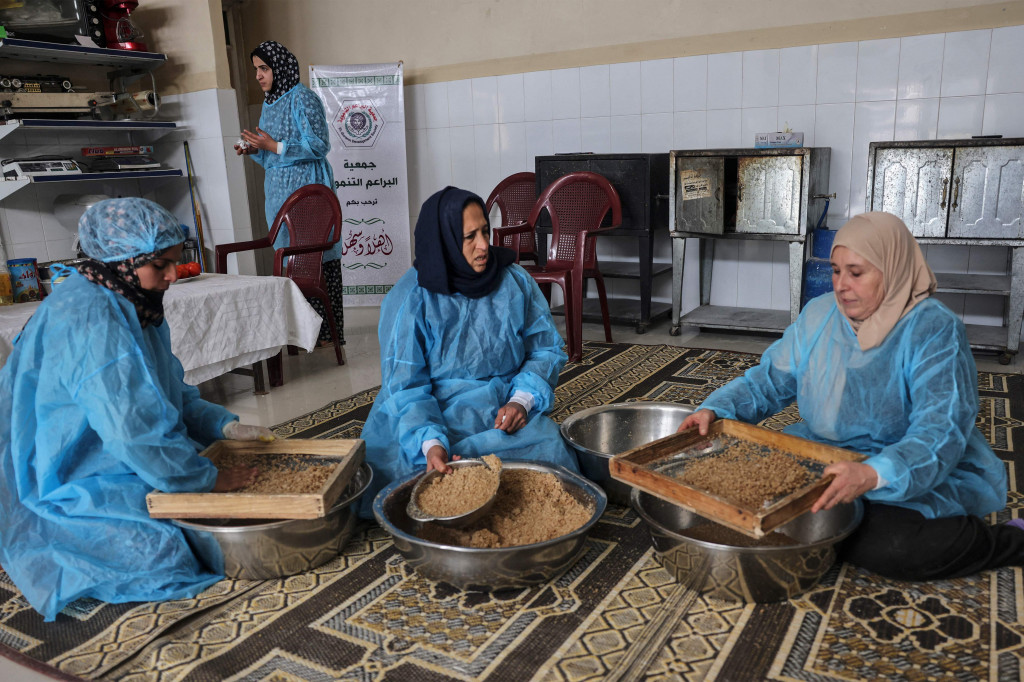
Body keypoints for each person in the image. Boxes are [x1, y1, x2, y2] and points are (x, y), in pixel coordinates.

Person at [677, 212, 1024, 580]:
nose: (842, 285)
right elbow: (770, 380)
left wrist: (873, 473)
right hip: (824, 456)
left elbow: (941, 431)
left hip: (903, 466)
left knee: (895, 549)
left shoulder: (933, 329)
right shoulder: (820, 315)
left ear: (891, 270)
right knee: (751, 504)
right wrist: (716, 410)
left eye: (856, 273)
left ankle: (1009, 539)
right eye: (836, 271)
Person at [0, 198, 275, 622]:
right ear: (123, 260)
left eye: (176, 262)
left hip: (113, 447)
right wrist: (204, 479)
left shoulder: (133, 299)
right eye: (160, 265)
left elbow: (166, 391)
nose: (172, 276)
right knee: (162, 554)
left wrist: (223, 425)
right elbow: (131, 428)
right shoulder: (92, 316)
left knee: (194, 515)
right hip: (63, 468)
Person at [358, 186, 580, 516]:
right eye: (469, 237)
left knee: (550, 447)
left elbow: (545, 349)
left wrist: (521, 401)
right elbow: (405, 386)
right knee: (398, 474)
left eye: (485, 232)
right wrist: (431, 444)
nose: (483, 246)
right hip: (431, 413)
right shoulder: (410, 298)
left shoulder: (514, 281)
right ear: (443, 241)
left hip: (500, 412)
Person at [235, 40, 343, 348]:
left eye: (264, 69)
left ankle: (325, 335)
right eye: (256, 69)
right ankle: (299, 333)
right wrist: (255, 149)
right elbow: (272, 157)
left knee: (316, 261)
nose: (258, 75)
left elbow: (319, 146)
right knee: (288, 261)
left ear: (280, 68)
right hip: (279, 194)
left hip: (307, 192)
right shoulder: (270, 103)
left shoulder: (303, 98)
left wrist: (273, 146)